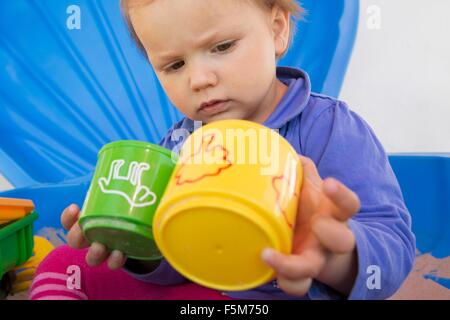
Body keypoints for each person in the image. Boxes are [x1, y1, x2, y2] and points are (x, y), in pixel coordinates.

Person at [30, 0, 415, 300]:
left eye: (223, 46)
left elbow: (394, 249)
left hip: (292, 295)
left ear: (277, 30)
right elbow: (179, 265)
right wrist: (138, 250)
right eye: (174, 64)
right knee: (65, 261)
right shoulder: (181, 146)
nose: (199, 79)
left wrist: (335, 257)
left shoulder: (329, 127)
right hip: (210, 294)